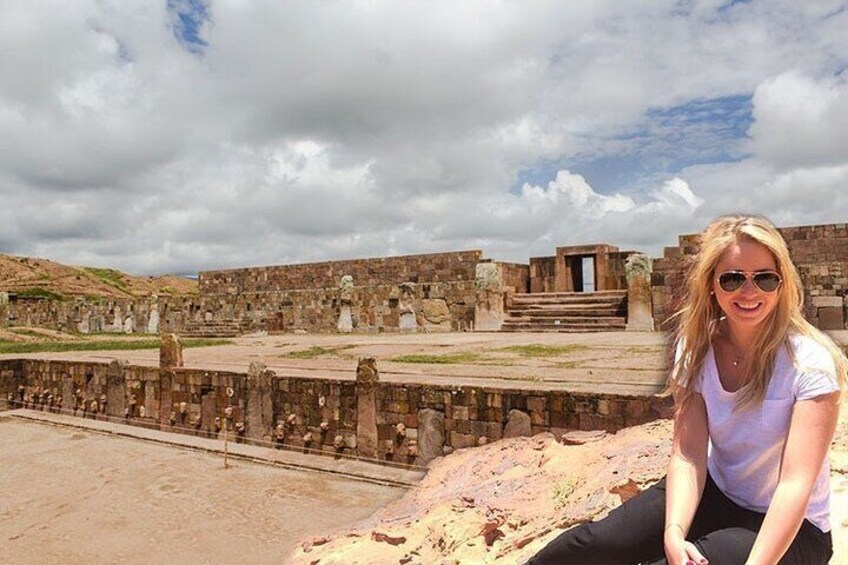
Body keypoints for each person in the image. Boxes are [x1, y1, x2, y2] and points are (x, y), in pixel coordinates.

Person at [528, 215, 846, 564]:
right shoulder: (697, 347)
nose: (749, 291)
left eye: (765, 278)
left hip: (795, 528)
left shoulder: (811, 363)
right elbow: (688, 453)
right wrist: (674, 531)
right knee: (592, 544)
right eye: (733, 278)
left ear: (782, 283)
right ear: (711, 283)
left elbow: (794, 485)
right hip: (718, 492)